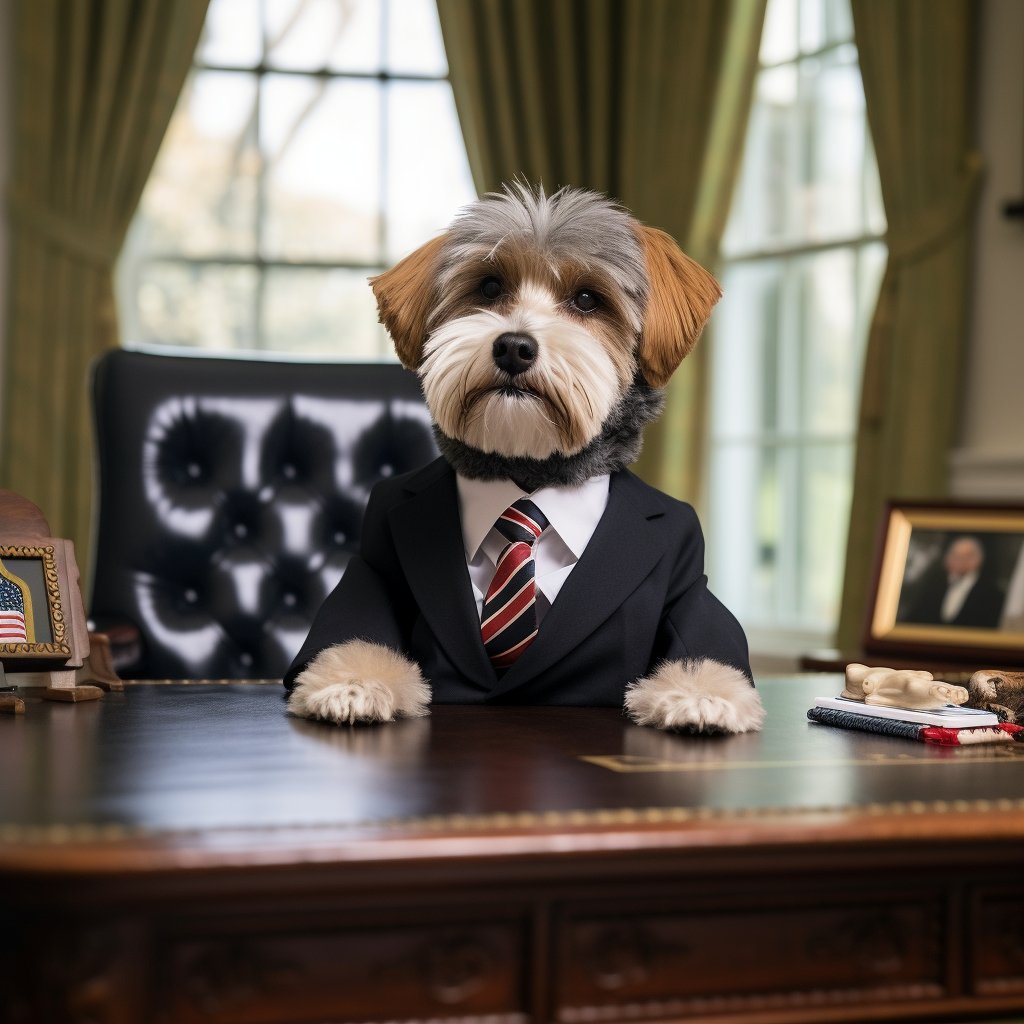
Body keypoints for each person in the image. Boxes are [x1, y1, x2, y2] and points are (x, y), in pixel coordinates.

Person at [901, 535, 1005, 629]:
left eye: (966, 556)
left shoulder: (993, 595)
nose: (958, 560)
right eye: (954, 554)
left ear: (978, 560)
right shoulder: (933, 586)